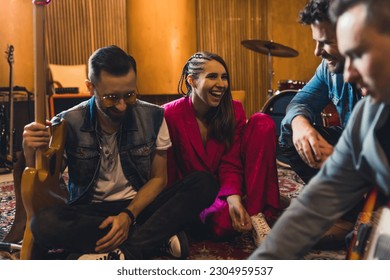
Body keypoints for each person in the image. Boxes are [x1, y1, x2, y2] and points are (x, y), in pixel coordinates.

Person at [22, 45, 218, 260]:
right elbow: (48, 179)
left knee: (204, 182)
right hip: (90, 211)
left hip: (139, 207)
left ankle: (123, 253)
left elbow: (159, 179)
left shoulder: (153, 116)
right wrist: (31, 149)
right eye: (112, 98)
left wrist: (128, 215)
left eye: (130, 95)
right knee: (44, 223)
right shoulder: (68, 121)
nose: (123, 106)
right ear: (91, 87)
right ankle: (155, 238)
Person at [249, 0, 390, 259]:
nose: (346, 75)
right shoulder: (365, 115)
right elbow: (316, 204)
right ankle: (348, 215)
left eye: (358, 54)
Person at [163, 51, 282, 246]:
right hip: (193, 195)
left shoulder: (233, 109)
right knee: (224, 224)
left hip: (228, 186)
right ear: (191, 80)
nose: (222, 84)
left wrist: (233, 197)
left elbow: (231, 161)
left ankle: (256, 214)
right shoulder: (169, 114)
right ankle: (242, 210)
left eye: (224, 77)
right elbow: (169, 172)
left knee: (262, 121)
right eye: (212, 76)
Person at [278, 0, 362, 184]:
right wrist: (300, 124)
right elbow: (300, 102)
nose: (317, 52)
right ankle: (344, 202)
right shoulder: (327, 67)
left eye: (326, 42)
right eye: (316, 42)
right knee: (289, 132)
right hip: (353, 144)